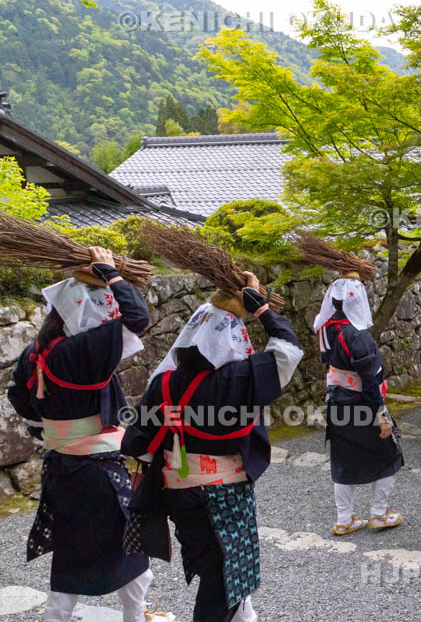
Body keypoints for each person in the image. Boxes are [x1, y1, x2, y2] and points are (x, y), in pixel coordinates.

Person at [121, 272, 303, 622]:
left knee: (216, 571)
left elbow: (138, 444)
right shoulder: (241, 377)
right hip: (224, 494)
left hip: (178, 492)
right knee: (223, 580)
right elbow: (289, 348)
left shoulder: (165, 381)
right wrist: (262, 308)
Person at [7, 248, 154, 622]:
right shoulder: (87, 347)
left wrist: (55, 420)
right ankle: (135, 617)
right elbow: (138, 317)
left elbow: (19, 399)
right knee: (133, 551)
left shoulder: (35, 352)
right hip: (100, 470)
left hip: (61, 468)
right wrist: (112, 275)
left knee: (71, 557)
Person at [315, 273, 404, 536]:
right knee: (389, 454)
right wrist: (381, 414)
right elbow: (369, 380)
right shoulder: (358, 336)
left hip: (336, 402)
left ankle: (345, 519)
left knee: (342, 458)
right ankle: (378, 513)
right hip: (361, 404)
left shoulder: (325, 328)